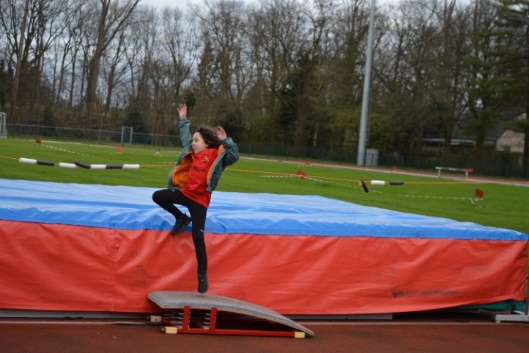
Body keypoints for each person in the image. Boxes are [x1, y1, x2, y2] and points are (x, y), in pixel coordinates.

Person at [152, 103, 240, 293]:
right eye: (193, 140)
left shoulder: (217, 155)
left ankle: (202, 276)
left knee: (198, 238)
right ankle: (181, 217)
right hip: (185, 193)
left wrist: (226, 141)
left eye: (197, 140)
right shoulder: (191, 152)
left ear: (207, 142)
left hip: (199, 201)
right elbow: (185, 137)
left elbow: (234, 156)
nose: (193, 143)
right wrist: (183, 119)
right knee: (158, 196)